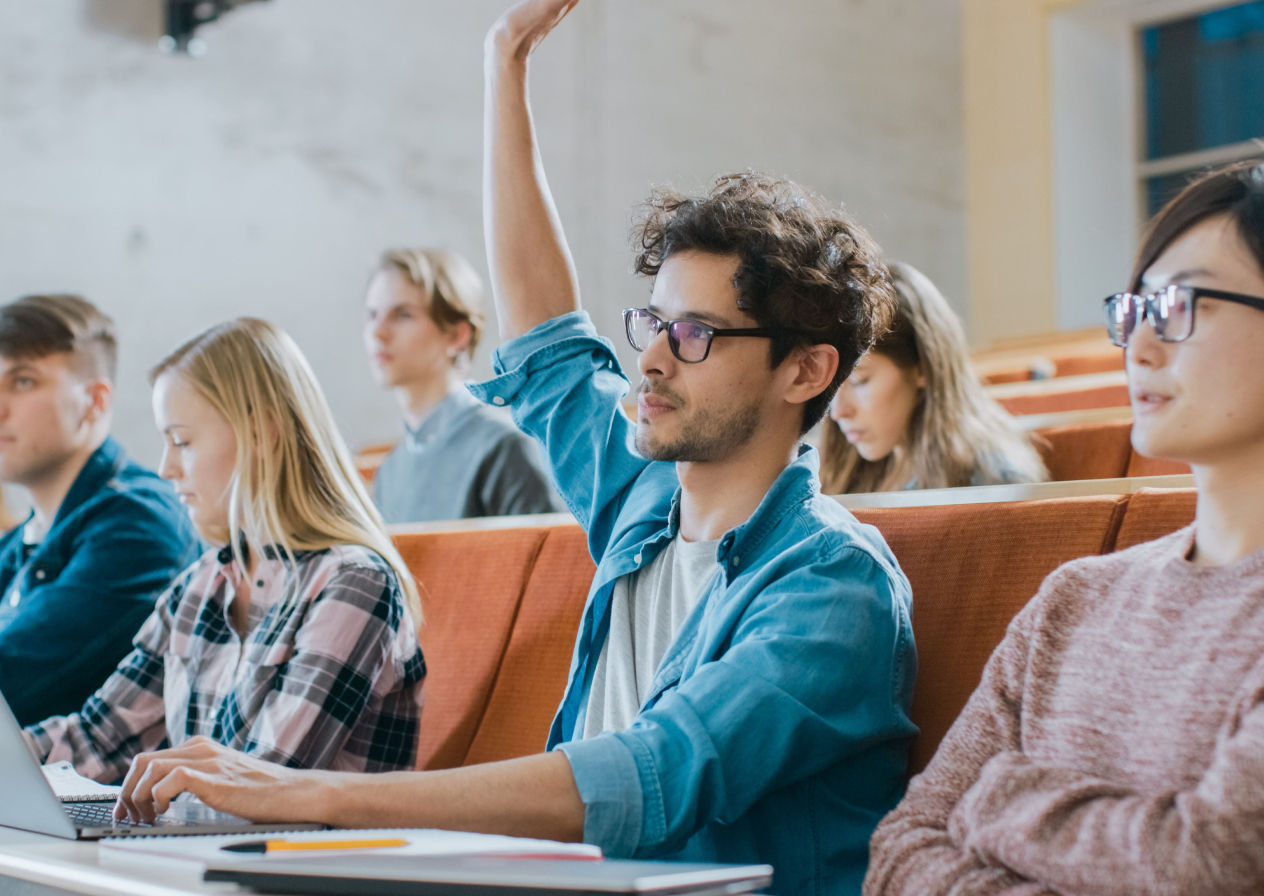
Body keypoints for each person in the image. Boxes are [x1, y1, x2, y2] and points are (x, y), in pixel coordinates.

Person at [109, 3, 916, 895]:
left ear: (805, 370)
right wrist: (505, 62)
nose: (649, 354)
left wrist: (306, 794)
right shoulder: (642, 501)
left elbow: (653, 772)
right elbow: (549, 345)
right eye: (651, 320)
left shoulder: (834, 586)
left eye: (694, 333)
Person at [864, 160, 1264, 895]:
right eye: (1134, 311)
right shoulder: (1074, 597)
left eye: (1179, 305)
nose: (1138, 348)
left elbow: (1208, 869)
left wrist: (1000, 797)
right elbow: (899, 853)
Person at [23, 317, 426, 782]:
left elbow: (264, 784)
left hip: (301, 853)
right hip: (203, 844)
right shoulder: (199, 586)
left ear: (260, 434)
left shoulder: (354, 583)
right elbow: (96, 740)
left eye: (182, 441)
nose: (166, 467)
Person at [0, 294, 199, 726]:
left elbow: (13, 682)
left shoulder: (140, 525)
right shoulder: (20, 541)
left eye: (23, 381)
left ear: (95, 400)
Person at [363, 247, 562, 522]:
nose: (377, 332)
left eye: (403, 315)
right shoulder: (389, 473)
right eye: (372, 315)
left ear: (457, 335)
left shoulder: (505, 447)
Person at [820, 262, 1047, 493]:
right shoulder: (848, 469)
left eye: (860, 381)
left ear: (923, 368)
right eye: (831, 386)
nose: (839, 412)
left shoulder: (993, 481)